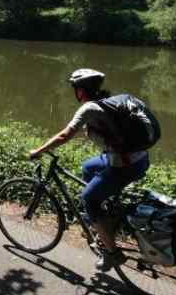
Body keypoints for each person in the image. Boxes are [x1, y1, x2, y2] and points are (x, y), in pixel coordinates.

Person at [28, 69, 151, 271]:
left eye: (75, 89)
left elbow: (65, 135)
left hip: (125, 165)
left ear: (81, 91)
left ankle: (112, 253)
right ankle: (102, 218)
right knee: (88, 167)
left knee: (88, 199)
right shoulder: (109, 102)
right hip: (139, 158)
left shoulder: (89, 108)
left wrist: (39, 150)